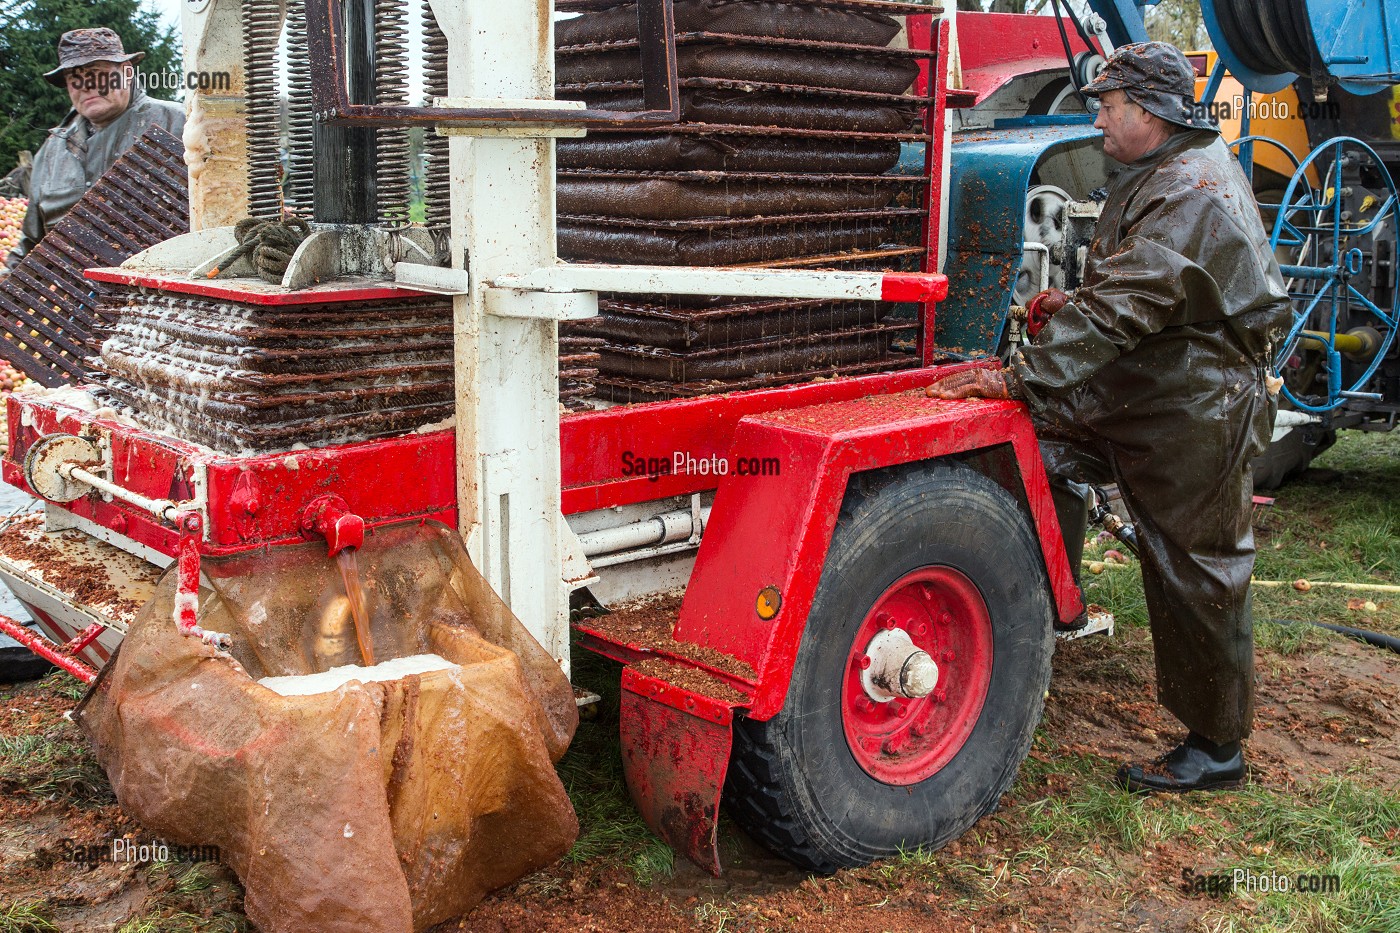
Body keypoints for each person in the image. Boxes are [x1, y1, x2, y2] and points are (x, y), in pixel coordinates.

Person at [926, 42, 1292, 793]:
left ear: (1151, 111)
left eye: (1108, 105)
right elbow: (1138, 291)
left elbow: (1131, 302)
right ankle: (1043, 615)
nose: (1096, 118)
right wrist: (1069, 309)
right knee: (1041, 448)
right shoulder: (1164, 170)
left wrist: (1020, 375)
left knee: (1199, 565)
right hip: (1151, 384)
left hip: (1193, 403)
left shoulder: (1189, 187)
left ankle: (1216, 748)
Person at [2, 28, 184, 272]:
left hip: (160, 288)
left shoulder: (178, 123)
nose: (85, 85)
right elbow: (31, 245)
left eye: (96, 73)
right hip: (69, 295)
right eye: (73, 78)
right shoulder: (50, 153)